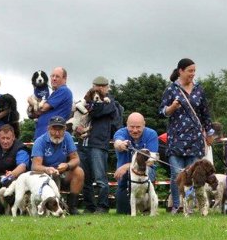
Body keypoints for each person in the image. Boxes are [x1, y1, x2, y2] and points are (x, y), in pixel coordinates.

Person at [159, 58, 213, 212]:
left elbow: (205, 114)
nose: (193, 74)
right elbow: (162, 111)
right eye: (190, 71)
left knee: (195, 175)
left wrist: (209, 133)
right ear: (180, 71)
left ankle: (189, 207)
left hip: (195, 140)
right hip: (176, 139)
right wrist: (171, 108)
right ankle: (178, 205)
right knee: (177, 173)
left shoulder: (199, 90)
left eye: (194, 71)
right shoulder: (171, 90)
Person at [78, 76, 122, 214]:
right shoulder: (87, 100)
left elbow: (96, 112)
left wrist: (89, 106)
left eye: (102, 87)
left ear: (107, 87)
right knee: (85, 179)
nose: (99, 89)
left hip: (98, 144)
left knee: (100, 179)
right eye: (96, 86)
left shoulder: (111, 102)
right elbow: (77, 114)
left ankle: (103, 206)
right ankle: (89, 207)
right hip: (83, 143)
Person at [31, 116, 83, 215]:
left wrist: (67, 165)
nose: (57, 133)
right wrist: (47, 169)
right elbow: (35, 166)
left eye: (60, 129)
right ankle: (46, 209)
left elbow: (76, 159)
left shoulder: (67, 137)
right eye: (54, 129)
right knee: (53, 176)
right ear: (48, 129)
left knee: (79, 171)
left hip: (62, 172)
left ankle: (72, 207)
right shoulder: (40, 141)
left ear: (65, 129)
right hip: (44, 176)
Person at [112, 112, 160, 215]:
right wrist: (120, 145)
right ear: (127, 125)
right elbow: (117, 142)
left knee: (149, 173)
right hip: (124, 176)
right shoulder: (120, 132)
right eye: (131, 127)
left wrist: (126, 166)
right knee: (123, 213)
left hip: (147, 170)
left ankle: (148, 207)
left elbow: (151, 161)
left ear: (144, 125)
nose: (134, 130)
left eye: (138, 127)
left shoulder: (152, 134)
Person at [0, 123, 29, 201]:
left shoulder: (20, 148)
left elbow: (22, 165)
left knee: (8, 183)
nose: (5, 141)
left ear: (13, 137)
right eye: (3, 138)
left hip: (12, 178)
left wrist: (12, 174)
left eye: (8, 138)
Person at [34, 67, 73, 138]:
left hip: (51, 137)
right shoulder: (54, 93)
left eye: (57, 76)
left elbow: (42, 108)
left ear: (64, 79)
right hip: (43, 136)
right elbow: (36, 113)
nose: (54, 79)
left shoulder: (63, 90)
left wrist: (30, 100)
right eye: (52, 76)